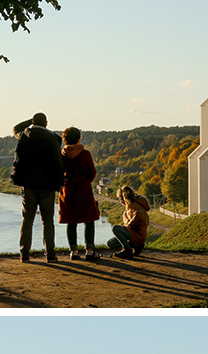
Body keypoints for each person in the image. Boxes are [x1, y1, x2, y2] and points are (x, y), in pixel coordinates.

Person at [11, 113, 64, 265]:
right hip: (47, 185)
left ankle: (24, 254)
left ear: (33, 122)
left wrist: (31, 121)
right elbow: (57, 162)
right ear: (46, 123)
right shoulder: (53, 138)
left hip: (28, 184)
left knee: (27, 219)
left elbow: (15, 128)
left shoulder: (24, 134)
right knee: (47, 221)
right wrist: (59, 183)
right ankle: (50, 254)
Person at [58, 126, 100, 263]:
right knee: (89, 219)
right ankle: (89, 250)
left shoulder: (61, 155)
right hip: (83, 189)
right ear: (79, 138)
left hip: (68, 190)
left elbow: (58, 173)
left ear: (64, 139)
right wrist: (86, 181)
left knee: (72, 221)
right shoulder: (85, 154)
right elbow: (92, 172)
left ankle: (74, 251)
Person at [106, 181, 150, 262]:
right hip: (132, 233)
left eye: (120, 199)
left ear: (124, 198)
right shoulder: (129, 207)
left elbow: (138, 217)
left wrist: (128, 225)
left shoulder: (135, 206)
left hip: (138, 235)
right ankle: (135, 247)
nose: (120, 202)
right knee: (111, 243)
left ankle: (127, 250)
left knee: (115, 228)